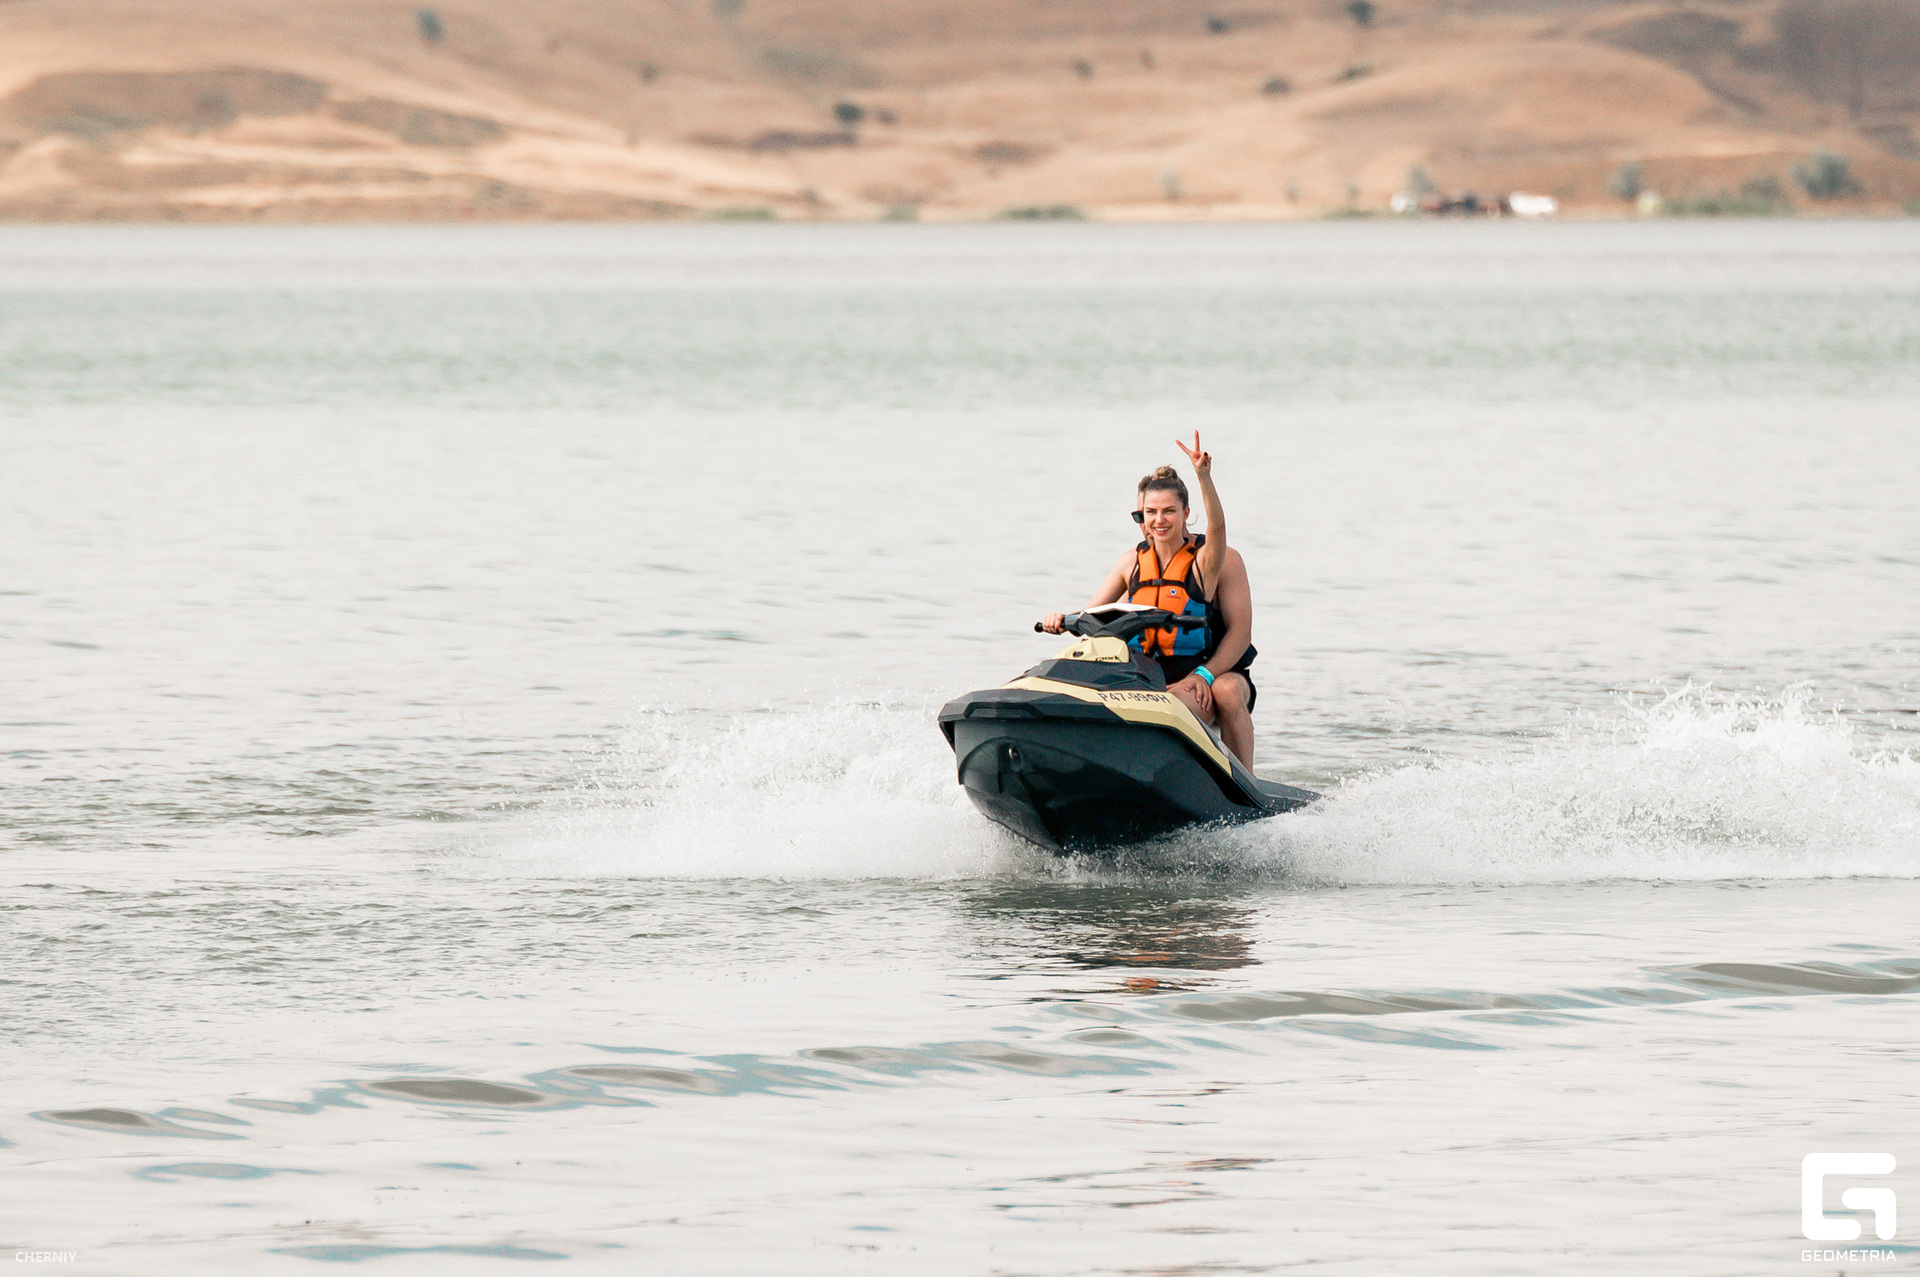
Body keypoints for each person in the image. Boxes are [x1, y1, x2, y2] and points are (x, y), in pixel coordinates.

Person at [1041, 433, 1258, 766]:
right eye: (1151, 512)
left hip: (1205, 676)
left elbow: (1218, 529)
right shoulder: (1131, 562)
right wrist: (1061, 620)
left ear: (1186, 512)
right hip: (1146, 678)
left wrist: (1203, 477)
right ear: (1141, 515)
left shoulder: (1208, 561)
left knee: (1225, 691)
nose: (1159, 520)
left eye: (1169, 511)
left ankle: (1244, 782)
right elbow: (1091, 614)